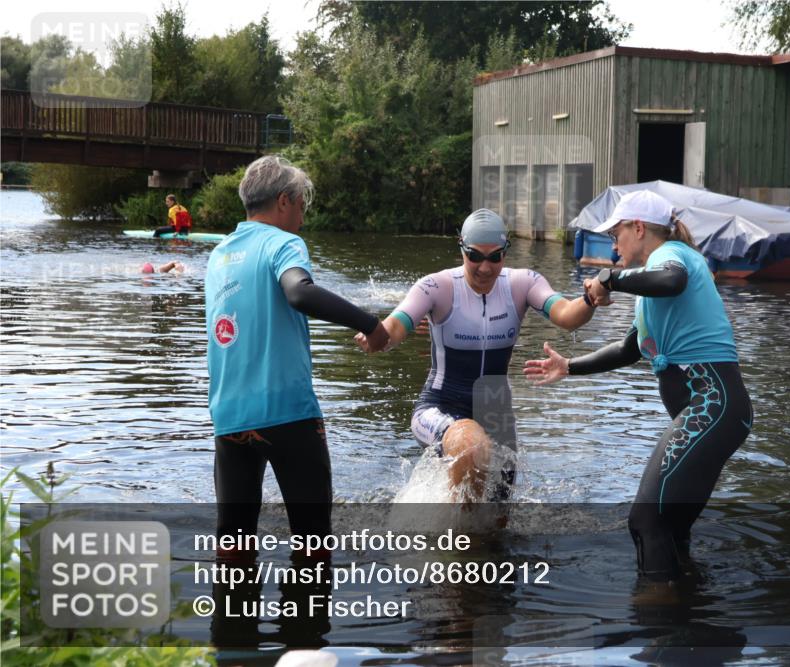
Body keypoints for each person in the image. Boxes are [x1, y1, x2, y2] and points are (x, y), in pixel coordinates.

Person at [524, 190, 753, 583]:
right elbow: (631, 348)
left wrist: (610, 279)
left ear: (639, 228)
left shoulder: (670, 257)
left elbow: (672, 280)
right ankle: (689, 613)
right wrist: (568, 367)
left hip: (711, 407)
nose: (613, 244)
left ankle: (655, 615)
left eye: (617, 233)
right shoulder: (651, 285)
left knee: (645, 520)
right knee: (671, 527)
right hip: (719, 412)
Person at [205, 155, 389, 557]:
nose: (303, 216)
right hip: (288, 414)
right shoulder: (283, 243)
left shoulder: (218, 254)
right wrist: (373, 326)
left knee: (233, 547)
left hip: (229, 416)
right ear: (284, 201)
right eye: (302, 204)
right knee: (313, 544)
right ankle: (306, 618)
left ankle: (232, 617)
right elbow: (300, 292)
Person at [355, 209, 601, 501]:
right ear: (461, 248)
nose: (485, 267)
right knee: (471, 446)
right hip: (440, 406)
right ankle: (457, 542)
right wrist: (377, 335)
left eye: (494, 257)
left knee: (497, 517)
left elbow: (567, 316)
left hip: (496, 412)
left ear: (505, 253)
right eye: (475, 256)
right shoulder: (437, 286)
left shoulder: (523, 283)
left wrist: (591, 298)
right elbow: (396, 325)